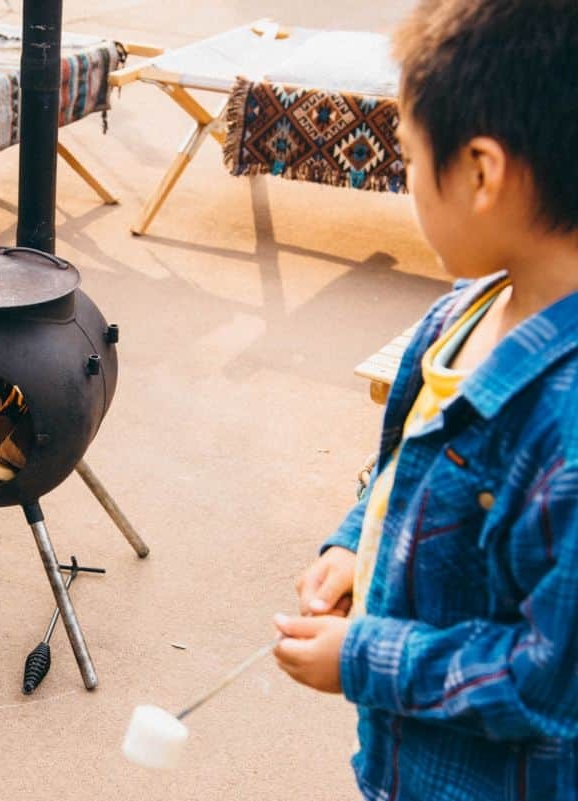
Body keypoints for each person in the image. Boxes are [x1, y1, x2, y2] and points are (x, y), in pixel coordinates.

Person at [273, 1, 578, 798]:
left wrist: (362, 659)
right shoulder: (462, 313)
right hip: (404, 763)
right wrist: (352, 546)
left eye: (407, 155)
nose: (405, 177)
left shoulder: (565, 428)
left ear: (481, 172)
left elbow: (547, 681)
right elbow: (408, 471)